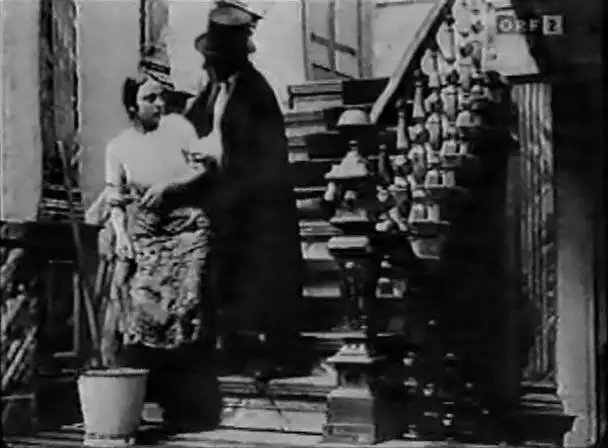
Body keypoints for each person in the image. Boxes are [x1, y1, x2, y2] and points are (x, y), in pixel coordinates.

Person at [184, 5, 305, 376]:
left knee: (262, 278)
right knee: (224, 275)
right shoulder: (211, 92)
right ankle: (228, 348)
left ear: (233, 58)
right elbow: (189, 130)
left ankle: (272, 354)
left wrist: (222, 169)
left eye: (215, 59)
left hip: (258, 205)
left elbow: (261, 156)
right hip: (225, 199)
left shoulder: (255, 92)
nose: (208, 65)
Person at [103, 75, 221, 433]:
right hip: (148, 236)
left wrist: (168, 185)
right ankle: (154, 401)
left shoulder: (179, 128)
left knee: (186, 308)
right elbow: (115, 199)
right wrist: (122, 236)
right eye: (150, 98)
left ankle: (191, 411)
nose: (160, 104)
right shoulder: (119, 147)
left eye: (161, 97)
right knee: (147, 313)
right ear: (132, 107)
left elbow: (204, 168)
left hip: (187, 230)